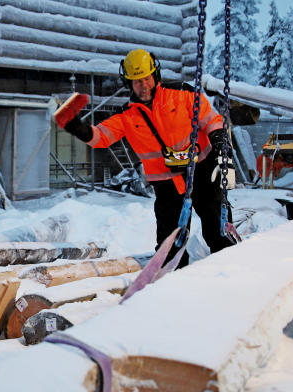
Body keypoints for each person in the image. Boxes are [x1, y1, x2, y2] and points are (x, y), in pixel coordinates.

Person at [58, 48, 236, 268]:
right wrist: (75, 127)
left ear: (155, 76)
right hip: (167, 185)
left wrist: (219, 141)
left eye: (146, 79)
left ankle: (231, 275)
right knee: (169, 247)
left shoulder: (183, 94)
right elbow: (100, 137)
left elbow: (211, 119)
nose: (143, 86)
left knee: (218, 230)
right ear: (129, 84)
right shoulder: (127, 115)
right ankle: (175, 286)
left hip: (201, 171)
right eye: (136, 82)